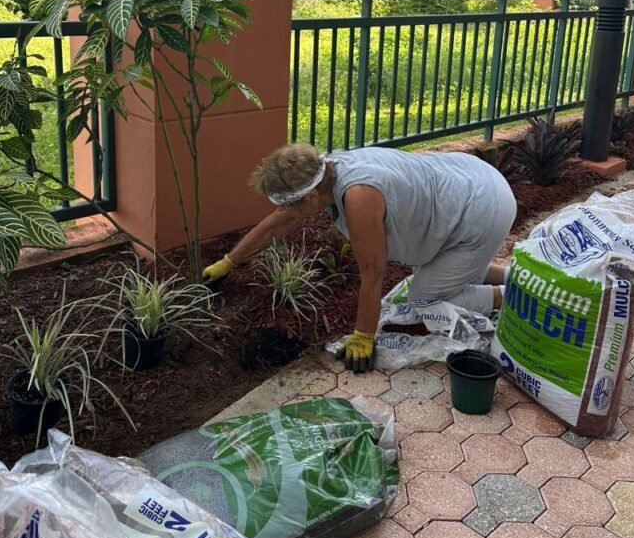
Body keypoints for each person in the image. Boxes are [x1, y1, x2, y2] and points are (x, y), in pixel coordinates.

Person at [203, 143, 517, 372]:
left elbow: (373, 271)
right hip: (469, 178)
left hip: (482, 210)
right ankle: (515, 275)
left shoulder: (359, 196)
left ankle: (513, 296)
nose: (284, 211)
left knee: (422, 297)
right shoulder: (325, 169)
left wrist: (364, 336)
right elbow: (278, 223)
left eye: (289, 204)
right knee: (439, 269)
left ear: (311, 197)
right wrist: (229, 262)